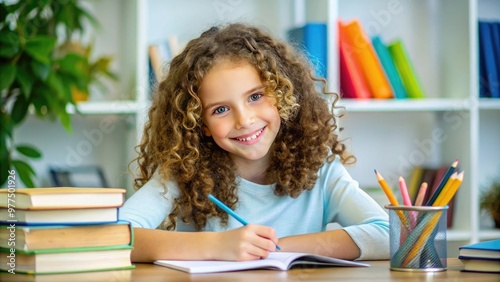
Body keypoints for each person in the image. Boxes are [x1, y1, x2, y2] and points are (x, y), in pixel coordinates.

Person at [120, 23, 389, 263]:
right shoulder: (184, 172)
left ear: (283, 93)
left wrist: (275, 248)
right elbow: (114, 236)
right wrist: (216, 246)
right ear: (199, 123)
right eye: (220, 110)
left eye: (255, 96)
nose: (245, 120)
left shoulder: (322, 168)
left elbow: (388, 234)